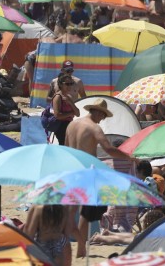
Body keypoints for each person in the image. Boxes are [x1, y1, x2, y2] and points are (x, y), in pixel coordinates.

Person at [66, 99, 133, 258]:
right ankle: (82, 248)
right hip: (88, 172)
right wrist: (129, 157)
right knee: (85, 213)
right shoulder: (94, 128)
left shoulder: (72, 125)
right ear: (97, 112)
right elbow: (109, 149)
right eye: (103, 115)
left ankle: (73, 246)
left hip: (72, 171)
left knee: (70, 213)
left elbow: (65, 148)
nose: (102, 119)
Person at [50, 74, 80, 145]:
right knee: (64, 147)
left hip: (68, 125)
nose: (69, 86)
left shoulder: (68, 97)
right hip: (61, 127)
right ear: (60, 84)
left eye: (71, 83)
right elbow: (57, 115)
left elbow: (78, 113)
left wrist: (70, 103)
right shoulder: (58, 97)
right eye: (67, 84)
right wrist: (71, 113)